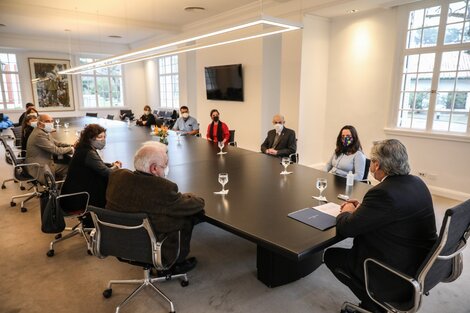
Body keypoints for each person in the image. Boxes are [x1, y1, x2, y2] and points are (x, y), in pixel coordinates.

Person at [323, 139, 437, 313]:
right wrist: (365, 209)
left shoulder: (383, 192)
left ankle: (375, 305)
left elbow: (347, 229)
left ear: (377, 164)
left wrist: (346, 210)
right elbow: (395, 211)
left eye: (372, 161)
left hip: (394, 274)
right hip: (421, 263)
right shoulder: (417, 183)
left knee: (331, 256)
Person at [106, 141, 205, 274]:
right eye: (165, 165)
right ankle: (173, 264)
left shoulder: (118, 176)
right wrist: (189, 196)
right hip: (151, 245)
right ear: (154, 168)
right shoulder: (162, 189)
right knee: (188, 216)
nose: (166, 168)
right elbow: (196, 204)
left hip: (119, 242)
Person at [61, 124, 122, 213]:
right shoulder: (89, 153)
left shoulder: (83, 148)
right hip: (81, 199)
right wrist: (116, 167)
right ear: (90, 138)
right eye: (100, 137)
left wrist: (110, 165)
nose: (103, 140)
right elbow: (107, 172)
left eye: (104, 137)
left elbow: (96, 164)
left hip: (74, 194)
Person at [26, 114, 74, 183]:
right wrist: (71, 149)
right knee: (71, 168)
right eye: (47, 121)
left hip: (43, 161)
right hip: (39, 167)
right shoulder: (39, 134)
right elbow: (56, 150)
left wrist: (71, 145)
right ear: (39, 123)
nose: (50, 123)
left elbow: (57, 143)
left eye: (51, 121)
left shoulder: (43, 131)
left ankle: (61, 186)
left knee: (66, 161)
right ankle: (60, 189)